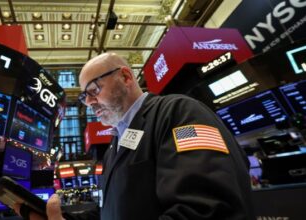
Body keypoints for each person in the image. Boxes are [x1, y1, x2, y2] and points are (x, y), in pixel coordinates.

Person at [15, 52, 255, 220]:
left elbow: (207, 209)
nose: (88, 103)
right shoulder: (115, 145)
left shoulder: (179, 112)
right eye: (84, 97)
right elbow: (111, 212)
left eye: (94, 90)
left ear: (126, 77)